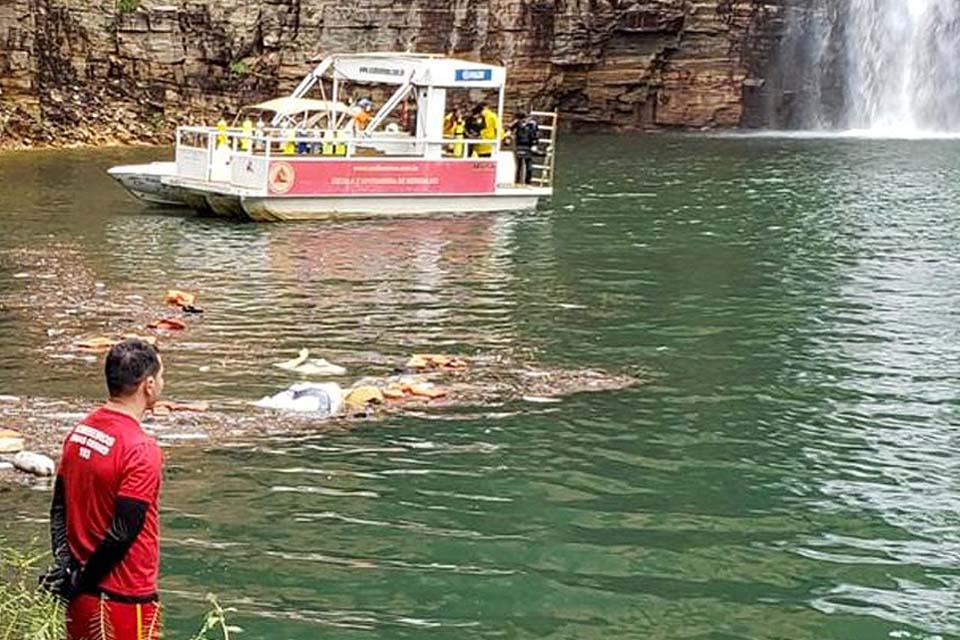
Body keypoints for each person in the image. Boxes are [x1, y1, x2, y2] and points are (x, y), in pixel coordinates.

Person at [42, 338, 165, 640]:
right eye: (162, 376)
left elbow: (59, 508)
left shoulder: (80, 431)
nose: (163, 382)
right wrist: (83, 580)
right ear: (148, 385)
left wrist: (67, 568)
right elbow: (124, 530)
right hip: (124, 599)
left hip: (81, 596)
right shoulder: (141, 448)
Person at [509, 111, 540, 184]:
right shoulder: (518, 123)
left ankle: (528, 181)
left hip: (529, 145)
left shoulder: (532, 124)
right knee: (519, 165)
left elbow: (536, 134)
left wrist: (535, 144)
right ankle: (517, 181)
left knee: (529, 165)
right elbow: (510, 128)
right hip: (519, 144)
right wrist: (511, 135)